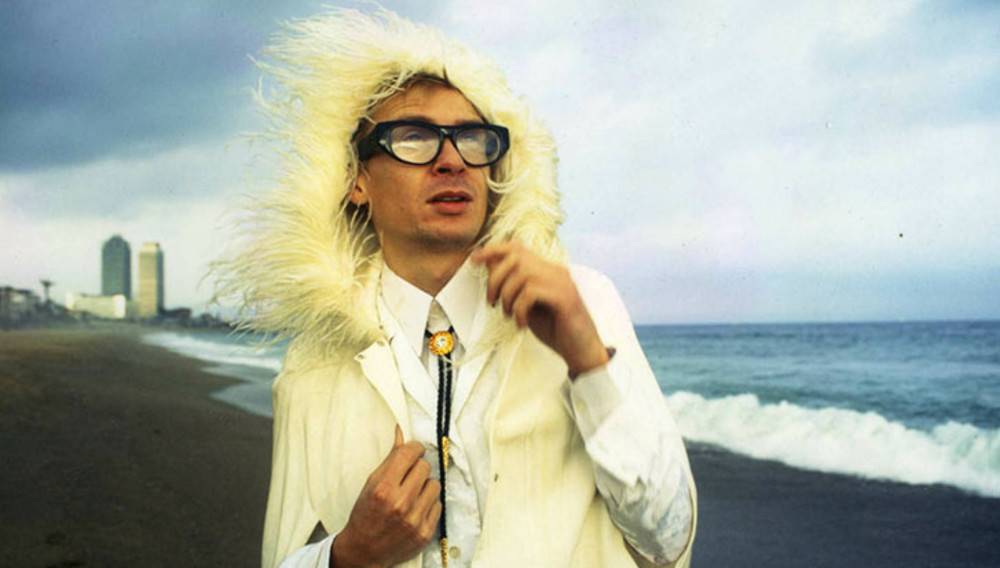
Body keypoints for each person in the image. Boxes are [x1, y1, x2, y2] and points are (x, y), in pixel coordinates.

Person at [214, 8, 697, 568]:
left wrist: (589, 362)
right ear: (356, 180)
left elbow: (668, 541)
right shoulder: (314, 364)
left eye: (472, 139)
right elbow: (283, 552)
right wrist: (348, 555)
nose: (451, 161)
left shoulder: (580, 301)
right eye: (413, 137)